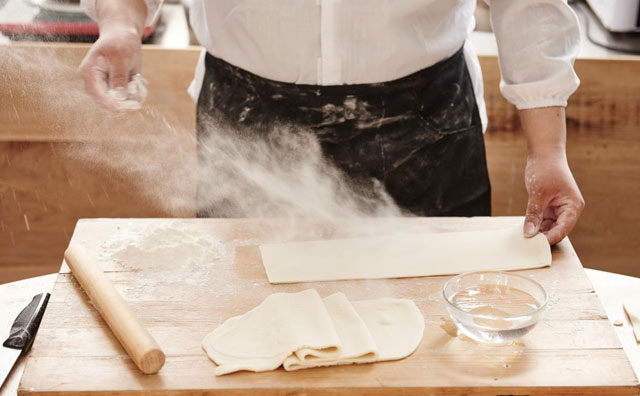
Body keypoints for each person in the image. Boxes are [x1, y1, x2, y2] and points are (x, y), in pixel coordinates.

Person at [78, 0, 585, 245]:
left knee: (436, 334)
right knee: (248, 321)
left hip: (425, 124)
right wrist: (121, 21)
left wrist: (548, 152)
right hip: (250, 117)